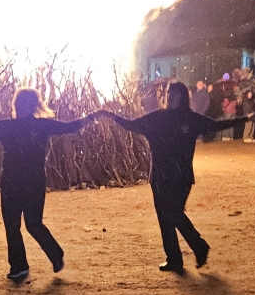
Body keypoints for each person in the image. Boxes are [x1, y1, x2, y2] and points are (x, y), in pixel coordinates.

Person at [0, 89, 97, 284]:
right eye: (19, 103)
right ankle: (25, 265)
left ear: (32, 106)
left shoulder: (30, 125)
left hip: (25, 181)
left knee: (29, 224)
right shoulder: (18, 126)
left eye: (24, 103)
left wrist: (91, 117)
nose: (21, 107)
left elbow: (68, 127)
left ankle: (44, 259)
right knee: (18, 225)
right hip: (20, 181)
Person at [99, 82, 244, 272]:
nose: (169, 97)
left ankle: (195, 247)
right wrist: (246, 118)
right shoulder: (183, 118)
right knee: (169, 215)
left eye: (171, 94)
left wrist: (111, 115)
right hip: (176, 175)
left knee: (170, 214)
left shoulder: (163, 118)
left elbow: (132, 125)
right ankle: (177, 257)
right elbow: (216, 125)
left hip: (166, 176)